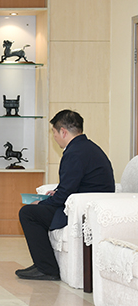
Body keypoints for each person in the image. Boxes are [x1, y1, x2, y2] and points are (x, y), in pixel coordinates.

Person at [17, 109, 115, 280]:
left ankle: (47, 268)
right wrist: (56, 192)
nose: (54, 137)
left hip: (82, 210)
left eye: (54, 133)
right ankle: (42, 263)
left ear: (63, 131)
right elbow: (74, 184)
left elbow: (66, 194)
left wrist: (42, 203)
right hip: (89, 204)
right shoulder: (88, 148)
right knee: (35, 211)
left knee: (28, 213)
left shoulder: (74, 153)